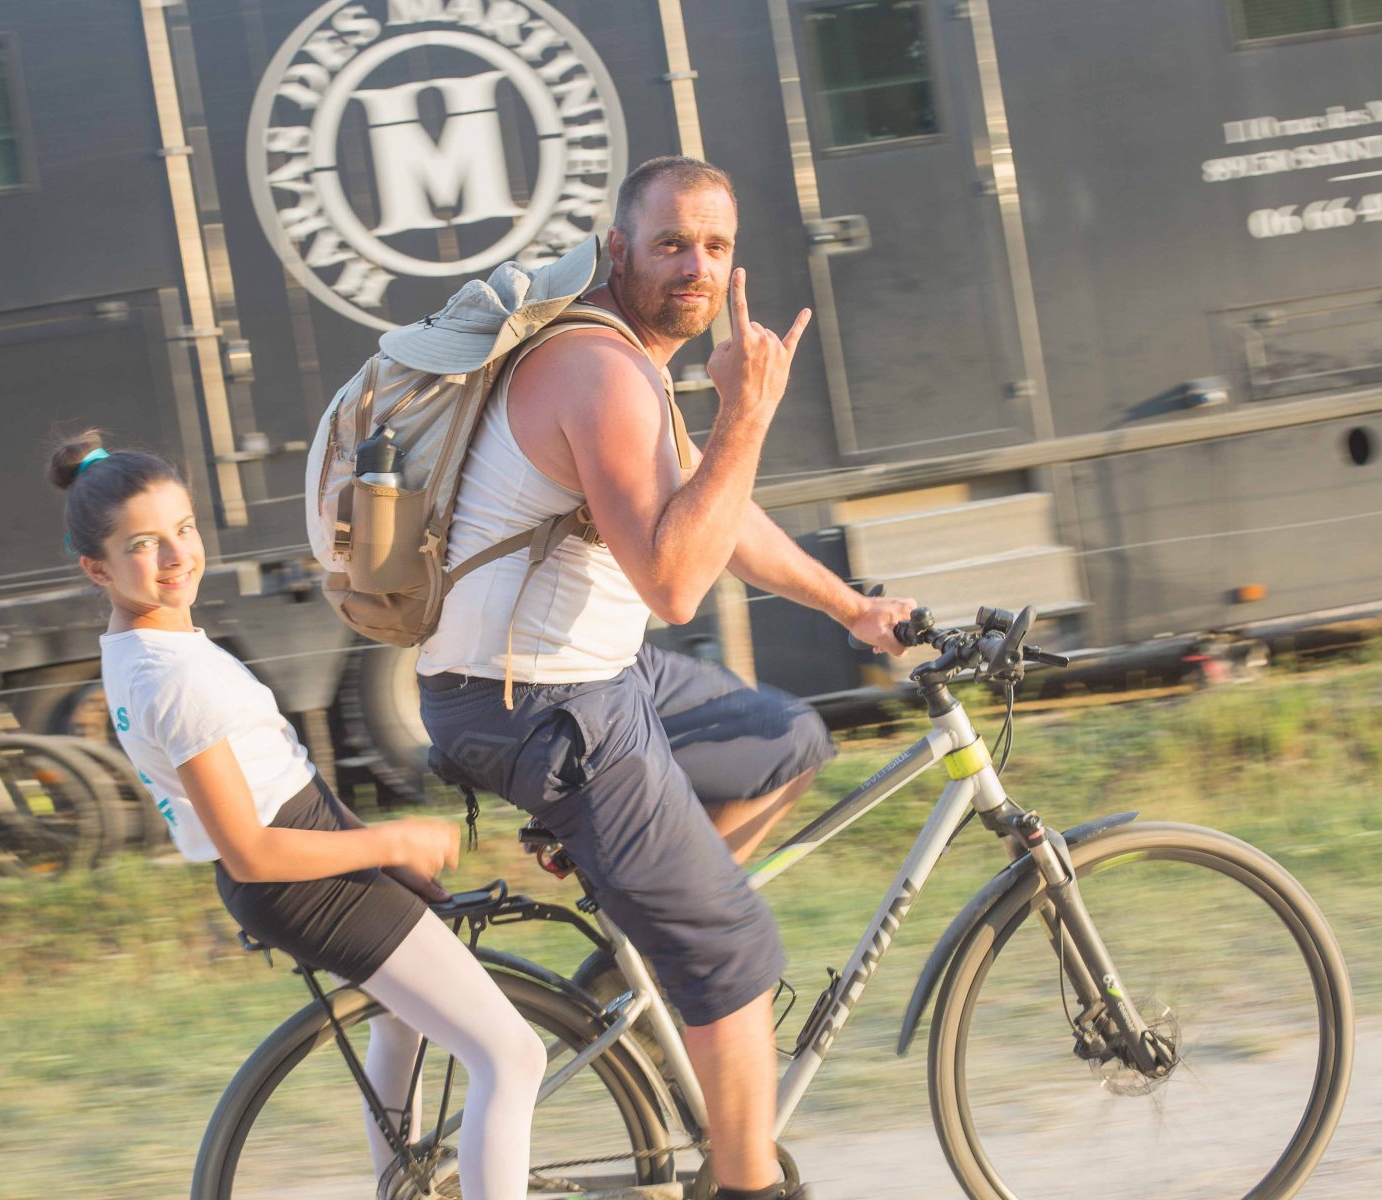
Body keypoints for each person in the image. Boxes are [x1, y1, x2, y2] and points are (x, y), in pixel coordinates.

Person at [416, 156, 916, 1200]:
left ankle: (639, 959)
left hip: (581, 675)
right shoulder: (600, 372)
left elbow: (715, 515)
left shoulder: (625, 357)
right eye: (672, 243)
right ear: (618, 251)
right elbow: (679, 583)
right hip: (544, 704)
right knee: (733, 951)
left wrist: (850, 607)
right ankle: (746, 1183)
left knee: (785, 738)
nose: (697, 267)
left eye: (716, 246)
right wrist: (748, 414)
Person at [47, 432, 545, 1200]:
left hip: (310, 849)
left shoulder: (143, 649)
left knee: (401, 1023)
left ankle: (403, 1188)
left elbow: (278, 772)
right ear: (97, 569)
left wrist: (367, 842)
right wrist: (390, 838)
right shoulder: (170, 679)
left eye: (184, 528)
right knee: (511, 1056)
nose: (176, 555)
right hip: (297, 874)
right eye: (143, 545)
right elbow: (249, 849)